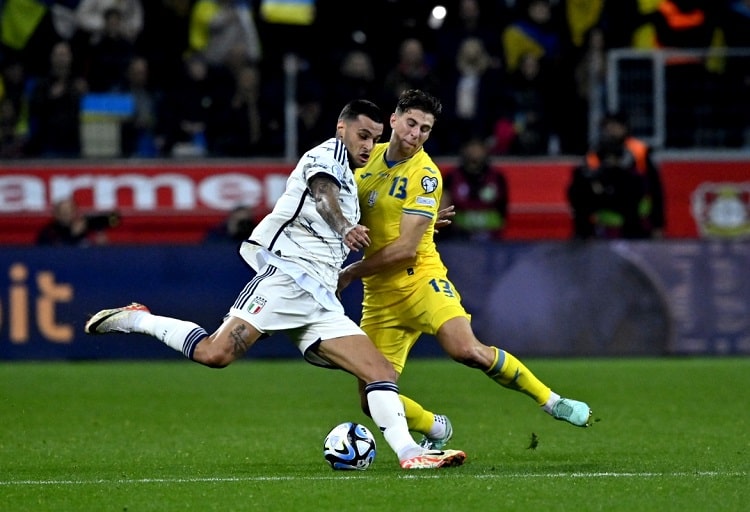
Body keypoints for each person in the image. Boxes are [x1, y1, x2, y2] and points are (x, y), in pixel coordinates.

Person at [84, 99, 466, 470]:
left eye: (374, 138)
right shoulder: (326, 157)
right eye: (362, 135)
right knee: (215, 354)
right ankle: (139, 319)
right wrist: (346, 227)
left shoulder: (353, 178)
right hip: (286, 278)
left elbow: (383, 210)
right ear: (341, 128)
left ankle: (410, 453)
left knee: (379, 372)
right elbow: (322, 195)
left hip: (320, 297)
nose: (368, 146)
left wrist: (427, 218)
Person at [338, 90, 592, 451]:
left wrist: (350, 273)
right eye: (411, 123)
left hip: (421, 280)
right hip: (379, 296)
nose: (416, 134)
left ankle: (551, 400)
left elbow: (407, 249)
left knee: (466, 350)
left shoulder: (426, 175)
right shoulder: (367, 160)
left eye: (425, 129)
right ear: (393, 121)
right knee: (371, 399)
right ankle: (435, 427)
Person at [585, 111, 665, 238]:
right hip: (606, 197)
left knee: (630, 184)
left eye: (614, 126)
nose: (610, 130)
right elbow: (588, 178)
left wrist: (658, 225)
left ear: (624, 127)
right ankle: (584, 234)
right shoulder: (596, 151)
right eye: (607, 127)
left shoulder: (639, 150)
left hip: (633, 204)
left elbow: (656, 189)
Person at [568, 135, 647, 239]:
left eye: (613, 157)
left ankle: (633, 235)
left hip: (622, 201)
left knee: (630, 203)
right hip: (600, 199)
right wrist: (595, 184)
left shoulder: (629, 173)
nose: (610, 161)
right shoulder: (594, 169)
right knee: (579, 192)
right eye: (607, 157)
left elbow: (638, 190)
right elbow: (579, 180)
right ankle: (584, 234)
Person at [439, 136, 508, 241]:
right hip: (458, 237)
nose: (475, 151)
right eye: (471, 147)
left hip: (492, 238)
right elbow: (444, 207)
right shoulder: (452, 177)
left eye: (478, 147)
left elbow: (503, 208)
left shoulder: (497, 177)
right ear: (464, 150)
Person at [37, 197, 120, 246]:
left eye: (71, 210)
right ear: (56, 214)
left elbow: (115, 219)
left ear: (76, 211)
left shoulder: (86, 223)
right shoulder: (49, 231)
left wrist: (100, 232)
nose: (68, 214)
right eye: (64, 212)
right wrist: (73, 235)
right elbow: (49, 252)